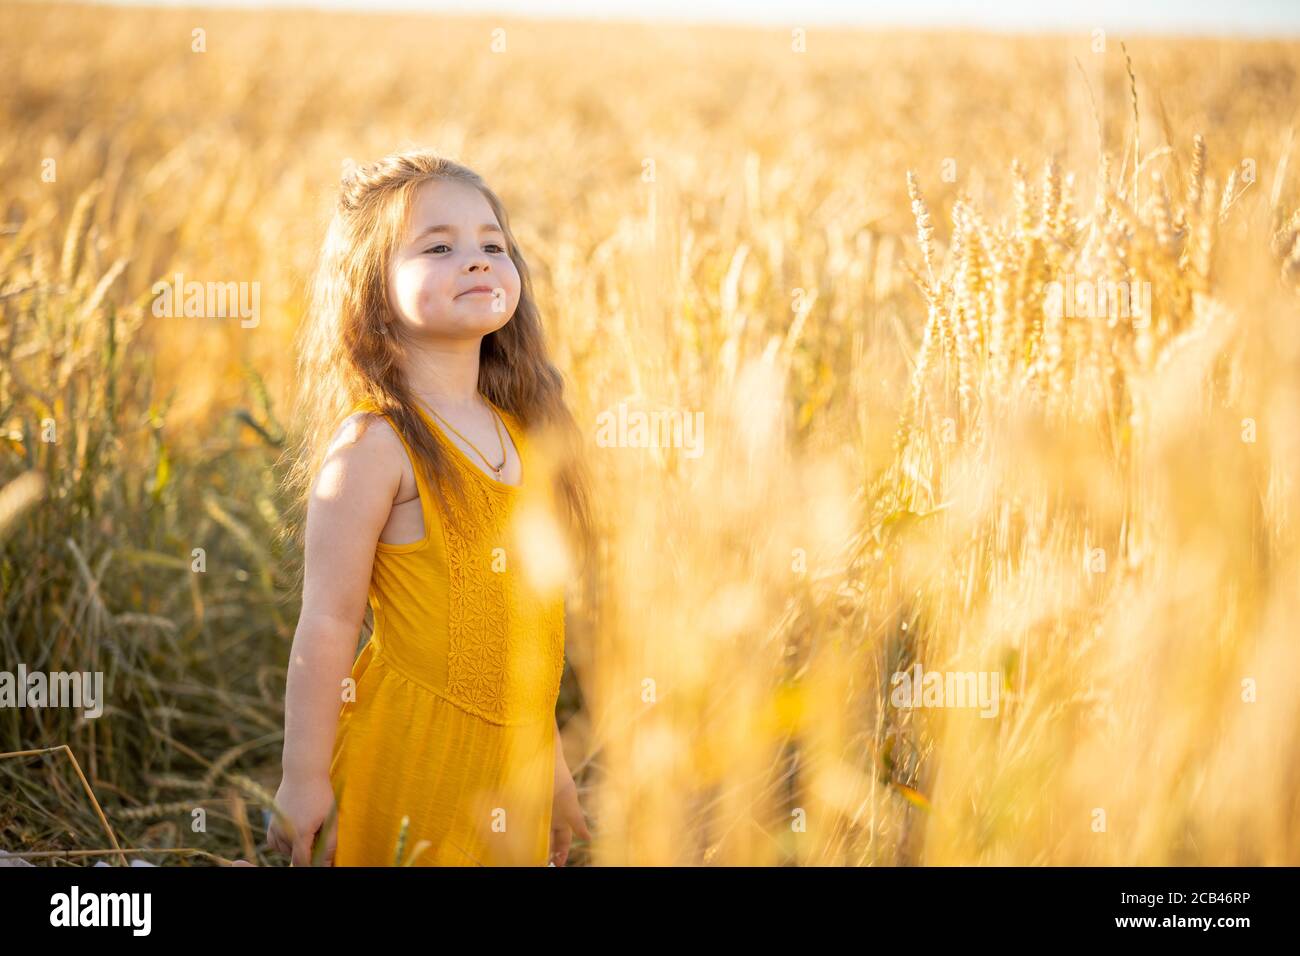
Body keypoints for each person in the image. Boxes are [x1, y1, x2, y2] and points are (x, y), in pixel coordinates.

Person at [267, 148, 594, 866]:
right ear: (373, 291)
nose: (476, 260)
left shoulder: (523, 435)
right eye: (439, 246)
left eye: (491, 245)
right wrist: (302, 777)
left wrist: (555, 774)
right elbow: (327, 621)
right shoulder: (377, 445)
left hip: (508, 775)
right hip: (409, 759)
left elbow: (527, 645)